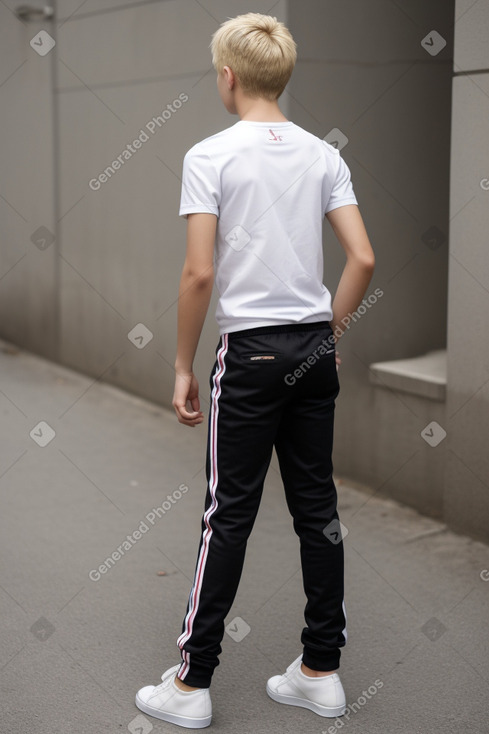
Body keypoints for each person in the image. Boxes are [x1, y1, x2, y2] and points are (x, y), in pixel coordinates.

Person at [135, 12, 375, 729]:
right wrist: (323, 332)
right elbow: (362, 259)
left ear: (228, 77)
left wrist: (182, 365)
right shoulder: (320, 155)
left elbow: (199, 272)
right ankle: (320, 672)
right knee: (318, 514)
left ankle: (190, 685)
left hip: (247, 355)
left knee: (226, 516)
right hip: (310, 350)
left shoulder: (209, 155)